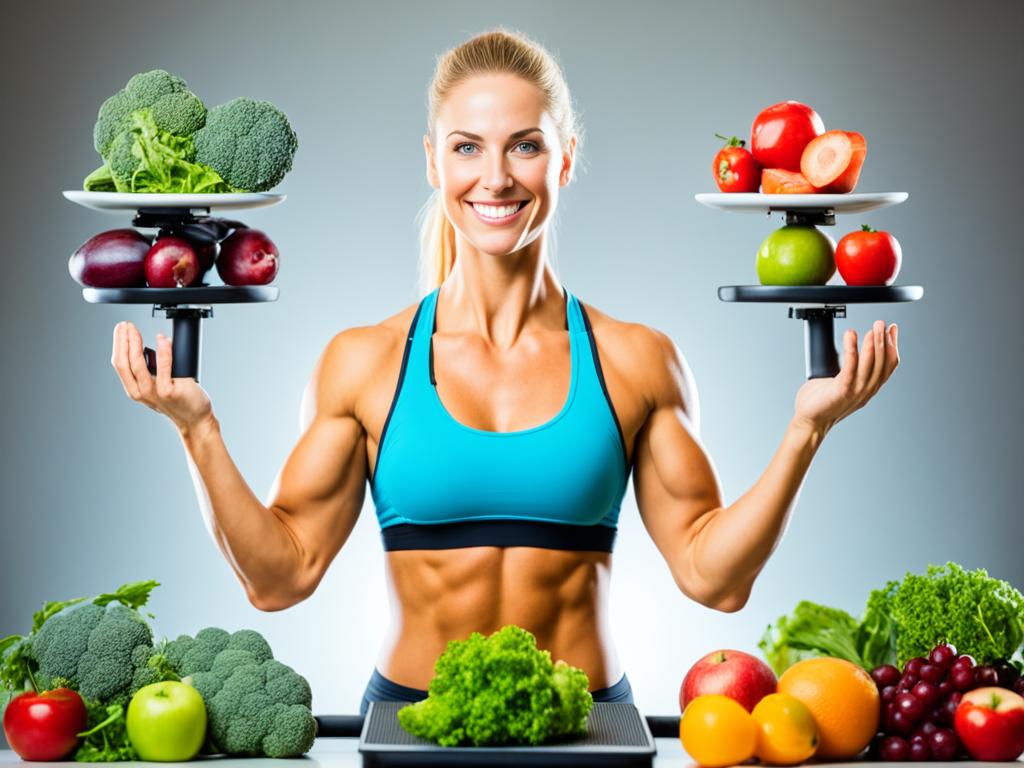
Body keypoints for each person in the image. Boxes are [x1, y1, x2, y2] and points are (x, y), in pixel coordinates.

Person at [110, 29, 900, 716]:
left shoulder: (634, 360)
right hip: (413, 719)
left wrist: (806, 429)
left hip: (586, 719)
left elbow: (711, 577)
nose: (495, 178)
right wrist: (197, 429)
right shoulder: (366, 363)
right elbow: (281, 579)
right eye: (467, 147)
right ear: (432, 161)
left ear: (566, 158)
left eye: (525, 144)